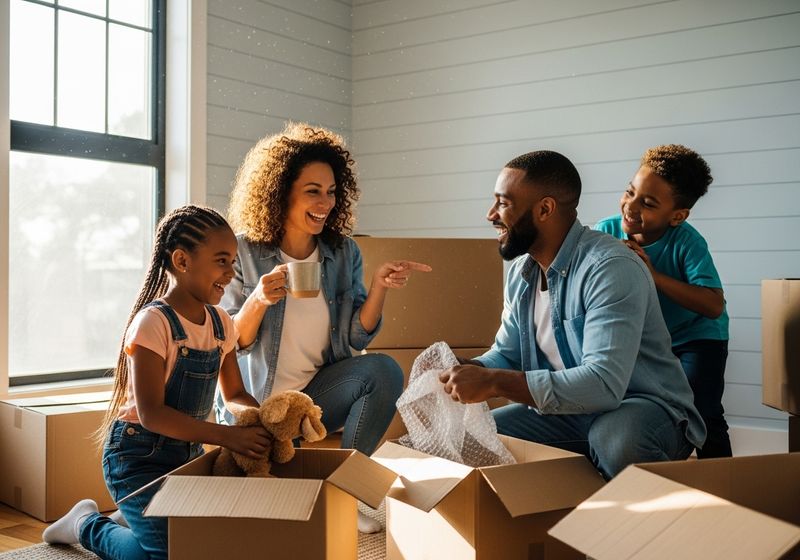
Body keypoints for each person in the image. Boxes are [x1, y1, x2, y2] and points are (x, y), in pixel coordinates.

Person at [438, 150, 706, 480]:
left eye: (503, 203)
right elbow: (507, 353)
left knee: (613, 438)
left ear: (545, 209)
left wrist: (493, 382)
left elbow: (604, 385)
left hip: (643, 406)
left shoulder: (610, 268)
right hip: (571, 411)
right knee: (474, 438)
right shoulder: (522, 271)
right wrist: (473, 368)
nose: (491, 214)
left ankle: (653, 516)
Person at [217, 122, 430, 532]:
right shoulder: (244, 250)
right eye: (312, 191)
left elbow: (356, 337)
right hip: (257, 406)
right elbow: (232, 340)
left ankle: (349, 491)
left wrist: (379, 288)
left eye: (331, 192)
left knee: (383, 370)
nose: (325, 202)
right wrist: (259, 298)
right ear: (281, 193)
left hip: (312, 402)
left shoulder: (342, 251)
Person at [43, 205, 270, 560]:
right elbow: (152, 415)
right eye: (222, 261)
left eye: (233, 261)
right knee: (163, 556)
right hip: (137, 458)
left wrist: (259, 421)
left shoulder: (221, 323)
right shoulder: (153, 323)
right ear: (182, 261)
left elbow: (236, 393)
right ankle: (86, 523)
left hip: (186, 458)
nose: (231, 272)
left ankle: (130, 517)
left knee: (211, 544)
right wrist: (227, 436)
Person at [594, 145, 731, 458]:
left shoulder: (687, 242)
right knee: (644, 406)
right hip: (649, 340)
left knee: (702, 410)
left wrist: (652, 274)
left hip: (697, 337)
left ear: (677, 216)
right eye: (630, 192)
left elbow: (713, 304)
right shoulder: (606, 232)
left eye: (649, 203)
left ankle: (727, 485)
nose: (630, 206)